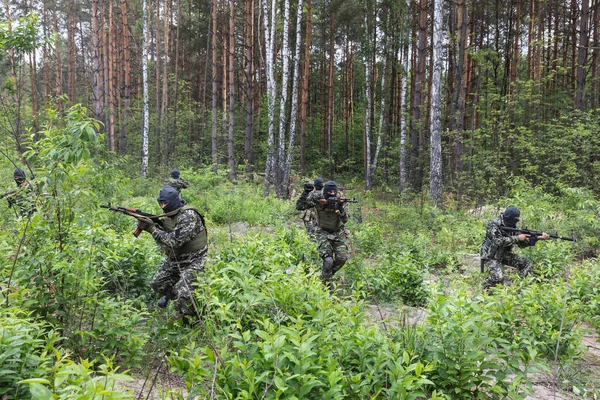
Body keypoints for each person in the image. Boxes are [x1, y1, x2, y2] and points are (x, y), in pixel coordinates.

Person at [137, 185, 208, 325]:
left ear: (175, 201)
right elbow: (167, 234)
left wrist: (152, 229)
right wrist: (154, 225)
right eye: (161, 203)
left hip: (195, 259)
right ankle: (181, 300)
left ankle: (191, 320)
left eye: (166, 203)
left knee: (183, 293)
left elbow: (173, 242)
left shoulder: (188, 216)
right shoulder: (169, 216)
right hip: (176, 259)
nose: (163, 207)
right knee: (158, 283)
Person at [480, 206, 550, 290]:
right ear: (509, 218)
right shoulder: (494, 224)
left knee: (525, 263)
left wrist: (536, 238)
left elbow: (522, 245)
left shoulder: (512, 227)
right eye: (515, 219)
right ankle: (484, 289)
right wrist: (517, 238)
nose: (516, 221)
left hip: (503, 254)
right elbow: (497, 241)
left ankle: (521, 288)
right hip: (490, 255)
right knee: (498, 278)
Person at [297, 180, 349, 289]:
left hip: (337, 231)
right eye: (328, 192)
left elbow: (345, 220)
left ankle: (325, 276)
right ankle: (325, 285)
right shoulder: (316, 196)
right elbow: (300, 206)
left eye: (333, 192)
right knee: (328, 260)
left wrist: (339, 208)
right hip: (322, 230)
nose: (331, 194)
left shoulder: (341, 198)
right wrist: (305, 193)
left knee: (342, 259)